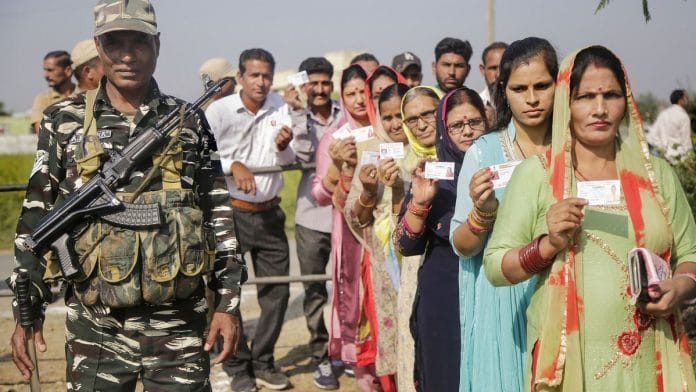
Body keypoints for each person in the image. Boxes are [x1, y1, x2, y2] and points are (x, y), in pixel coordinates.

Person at [8, 1, 244, 390]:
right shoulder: (63, 120)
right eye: (116, 43)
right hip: (95, 326)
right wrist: (25, 305)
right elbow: (37, 215)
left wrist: (228, 302)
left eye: (140, 42)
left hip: (181, 325)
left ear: (158, 45)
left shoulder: (189, 120)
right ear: (99, 47)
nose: (128, 55)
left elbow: (218, 213)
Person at [484, 45, 696, 391]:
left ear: (625, 101)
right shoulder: (537, 176)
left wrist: (681, 287)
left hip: (651, 355)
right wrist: (549, 244)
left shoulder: (656, 176)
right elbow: (496, 266)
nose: (600, 109)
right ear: (566, 102)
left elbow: (690, 253)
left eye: (610, 95)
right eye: (585, 97)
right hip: (571, 364)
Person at [450, 37, 558, 392]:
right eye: (519, 88)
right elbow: (462, 247)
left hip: (563, 288)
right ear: (503, 91)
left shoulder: (575, 147)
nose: (531, 98)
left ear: (559, 84)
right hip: (504, 296)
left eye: (542, 85)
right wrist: (483, 214)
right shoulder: (484, 152)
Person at [206, 48, 295, 392]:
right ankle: (238, 366)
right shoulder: (220, 109)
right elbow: (202, 151)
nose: (261, 82)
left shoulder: (280, 106)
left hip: (271, 213)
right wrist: (233, 165)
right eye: (254, 75)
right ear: (240, 77)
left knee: (278, 293)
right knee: (228, 293)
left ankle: (264, 361)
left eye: (267, 75)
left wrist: (285, 146)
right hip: (233, 212)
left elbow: (287, 160)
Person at [394, 85, 481, 392]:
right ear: (446, 129)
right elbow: (405, 245)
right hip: (445, 293)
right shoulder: (434, 172)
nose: (467, 131)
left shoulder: (507, 168)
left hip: (497, 286)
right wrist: (420, 203)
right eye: (457, 125)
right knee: (447, 376)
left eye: (475, 122)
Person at [313, 64, 377, 390]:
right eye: (350, 93)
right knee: (360, 308)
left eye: (361, 92)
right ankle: (366, 380)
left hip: (387, 236)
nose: (356, 100)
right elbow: (320, 194)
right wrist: (338, 165)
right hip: (353, 239)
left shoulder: (388, 128)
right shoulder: (335, 136)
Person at [284, 56, 341, 390]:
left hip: (346, 218)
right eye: (313, 84)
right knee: (315, 292)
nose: (319, 90)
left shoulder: (345, 115)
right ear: (304, 85)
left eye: (325, 84)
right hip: (311, 219)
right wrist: (297, 114)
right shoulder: (296, 116)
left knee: (350, 287)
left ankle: (346, 352)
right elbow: (305, 157)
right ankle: (320, 357)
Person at [30, 50, 76, 133]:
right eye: (45, 70)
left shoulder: (84, 94)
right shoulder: (42, 99)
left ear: (68, 70)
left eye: (50, 70)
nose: (46, 75)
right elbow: (43, 135)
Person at [647, 89, 693, 163]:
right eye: (686, 98)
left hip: (664, 158)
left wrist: (663, 150)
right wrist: (689, 159)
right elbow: (686, 140)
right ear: (680, 100)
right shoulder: (683, 116)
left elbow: (652, 135)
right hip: (679, 159)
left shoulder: (663, 114)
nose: (687, 100)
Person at [478, 41, 508, 123]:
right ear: (482, 70)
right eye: (493, 68)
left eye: (503, 67)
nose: (498, 74)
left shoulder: (524, 102)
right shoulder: (476, 105)